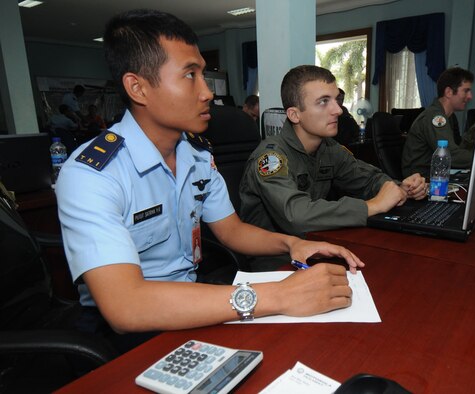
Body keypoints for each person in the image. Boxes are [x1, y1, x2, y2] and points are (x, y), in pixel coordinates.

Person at [56, 9, 363, 353]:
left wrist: (291, 245)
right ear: (137, 87)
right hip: (124, 333)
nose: (207, 93)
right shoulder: (92, 174)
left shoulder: (197, 154)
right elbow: (127, 307)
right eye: (190, 75)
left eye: (203, 74)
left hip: (193, 299)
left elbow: (232, 231)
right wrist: (278, 295)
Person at [239, 65, 426, 271]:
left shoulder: (328, 148)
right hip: (274, 261)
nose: (338, 110)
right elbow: (296, 215)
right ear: (294, 115)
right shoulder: (271, 158)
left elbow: (368, 178)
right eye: (323, 102)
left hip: (316, 244)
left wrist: (400, 188)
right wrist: (373, 206)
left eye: (336, 99)